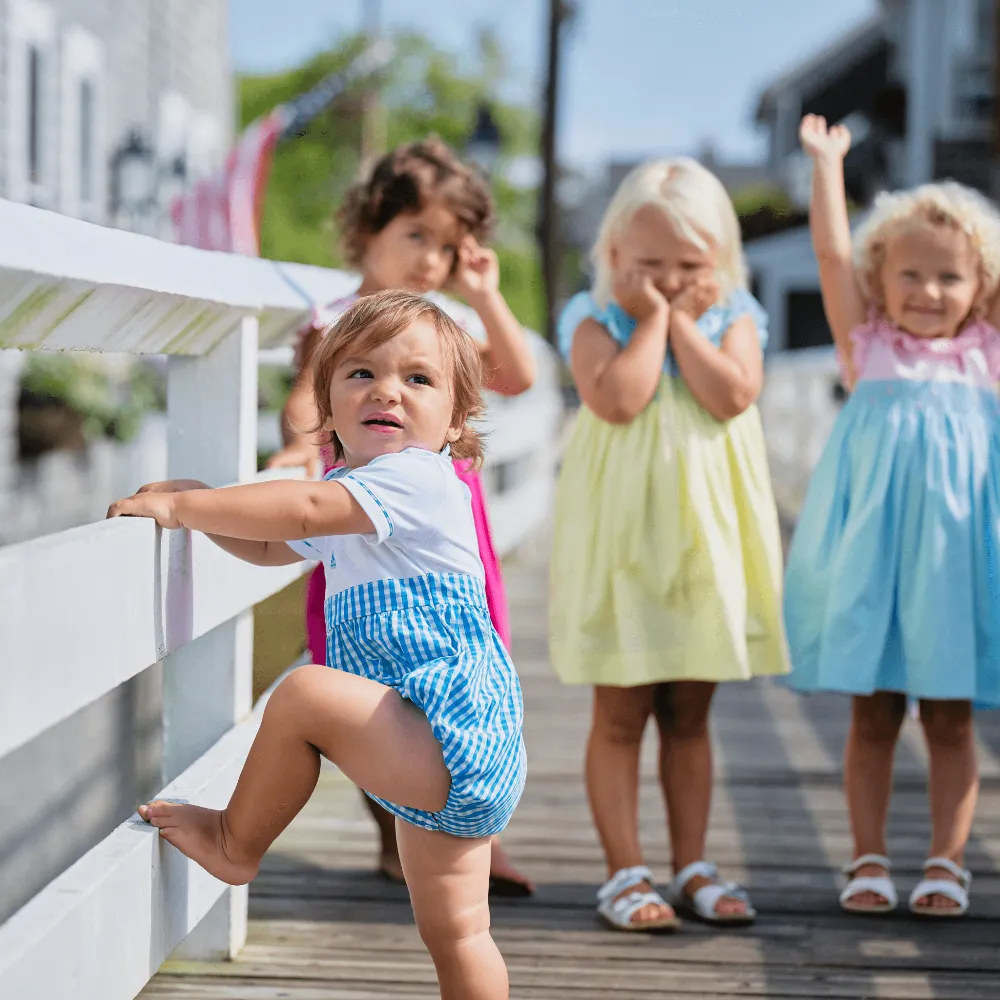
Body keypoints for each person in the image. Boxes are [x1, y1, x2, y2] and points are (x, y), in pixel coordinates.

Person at [109, 291, 526, 1000]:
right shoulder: (355, 487)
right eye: (360, 373)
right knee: (458, 934)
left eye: (417, 379)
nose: (386, 390)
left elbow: (302, 508)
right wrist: (204, 511)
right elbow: (276, 543)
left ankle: (235, 846)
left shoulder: (417, 478)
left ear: (456, 421)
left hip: (444, 736)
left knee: (302, 693)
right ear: (326, 406)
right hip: (455, 740)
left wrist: (185, 507)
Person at [267, 137, 536, 896]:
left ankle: (473, 833)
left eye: (449, 246)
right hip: (358, 542)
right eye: (416, 235)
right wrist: (298, 445)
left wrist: (484, 294)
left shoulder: (441, 327)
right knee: (363, 677)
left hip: (444, 540)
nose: (431, 260)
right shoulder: (339, 323)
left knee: (466, 667)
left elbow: (515, 374)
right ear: (367, 232)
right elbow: (305, 401)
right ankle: (395, 832)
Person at [550, 158, 788, 932]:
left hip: (703, 536)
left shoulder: (735, 315)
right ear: (614, 257)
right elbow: (618, 399)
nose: (670, 279)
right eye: (648, 265)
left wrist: (685, 321)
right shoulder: (594, 319)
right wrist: (651, 319)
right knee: (620, 712)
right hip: (624, 537)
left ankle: (692, 862)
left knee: (691, 713)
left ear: (721, 263)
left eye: (690, 266)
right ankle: (624, 869)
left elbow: (733, 395)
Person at [785, 115, 1000, 919]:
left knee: (950, 716)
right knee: (872, 711)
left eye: (950, 277)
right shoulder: (865, 345)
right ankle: (868, 855)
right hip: (874, 557)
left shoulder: (987, 354)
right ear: (882, 277)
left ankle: (947, 860)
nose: (929, 292)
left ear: (982, 286)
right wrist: (827, 168)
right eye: (909, 274)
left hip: (953, 563)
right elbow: (832, 254)